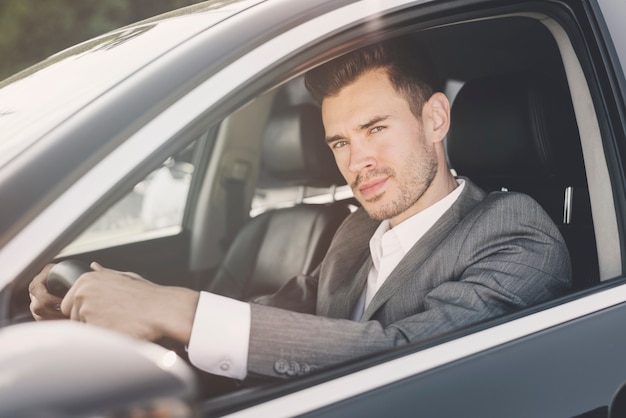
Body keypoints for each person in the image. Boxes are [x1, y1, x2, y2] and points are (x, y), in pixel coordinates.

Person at [29, 37, 572, 380]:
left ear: (435, 120)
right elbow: (283, 316)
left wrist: (176, 309)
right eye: (339, 142)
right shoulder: (357, 230)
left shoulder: (514, 229)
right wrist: (121, 310)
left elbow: (410, 355)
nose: (358, 161)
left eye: (376, 129)